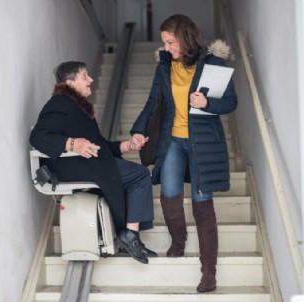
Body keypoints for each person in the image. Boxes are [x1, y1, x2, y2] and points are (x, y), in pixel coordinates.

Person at [130, 14, 238, 292]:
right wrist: (138, 130)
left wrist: (207, 102)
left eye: (170, 42)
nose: (167, 48)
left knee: (203, 206)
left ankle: (209, 272)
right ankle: (178, 240)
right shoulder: (165, 67)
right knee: (169, 195)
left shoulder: (214, 64)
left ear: (185, 37)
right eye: (164, 43)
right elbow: (152, 101)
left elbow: (230, 102)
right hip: (173, 140)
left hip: (203, 142)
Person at [30, 61, 157, 264]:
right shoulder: (59, 103)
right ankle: (129, 236)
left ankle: (129, 235)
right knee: (140, 175)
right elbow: (37, 136)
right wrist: (72, 144)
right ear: (70, 83)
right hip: (72, 167)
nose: (91, 80)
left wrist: (128, 145)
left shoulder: (77, 108)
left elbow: (102, 147)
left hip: (89, 163)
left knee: (137, 174)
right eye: (84, 76)